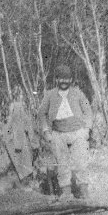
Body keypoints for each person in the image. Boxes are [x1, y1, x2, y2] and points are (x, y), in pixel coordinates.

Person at [37, 64, 94, 199]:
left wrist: (87, 129)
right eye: (60, 79)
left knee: (81, 162)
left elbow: (88, 111)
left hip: (77, 132)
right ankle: (66, 193)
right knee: (62, 164)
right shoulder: (50, 95)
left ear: (71, 80)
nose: (64, 82)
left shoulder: (77, 93)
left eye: (67, 79)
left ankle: (84, 192)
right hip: (58, 133)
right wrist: (46, 131)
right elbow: (41, 114)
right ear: (56, 79)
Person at [3, 86, 40, 187]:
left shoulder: (18, 106)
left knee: (24, 159)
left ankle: (26, 182)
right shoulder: (16, 106)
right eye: (20, 94)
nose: (21, 96)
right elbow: (12, 122)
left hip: (20, 136)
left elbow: (26, 123)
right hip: (18, 136)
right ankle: (24, 183)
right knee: (22, 159)